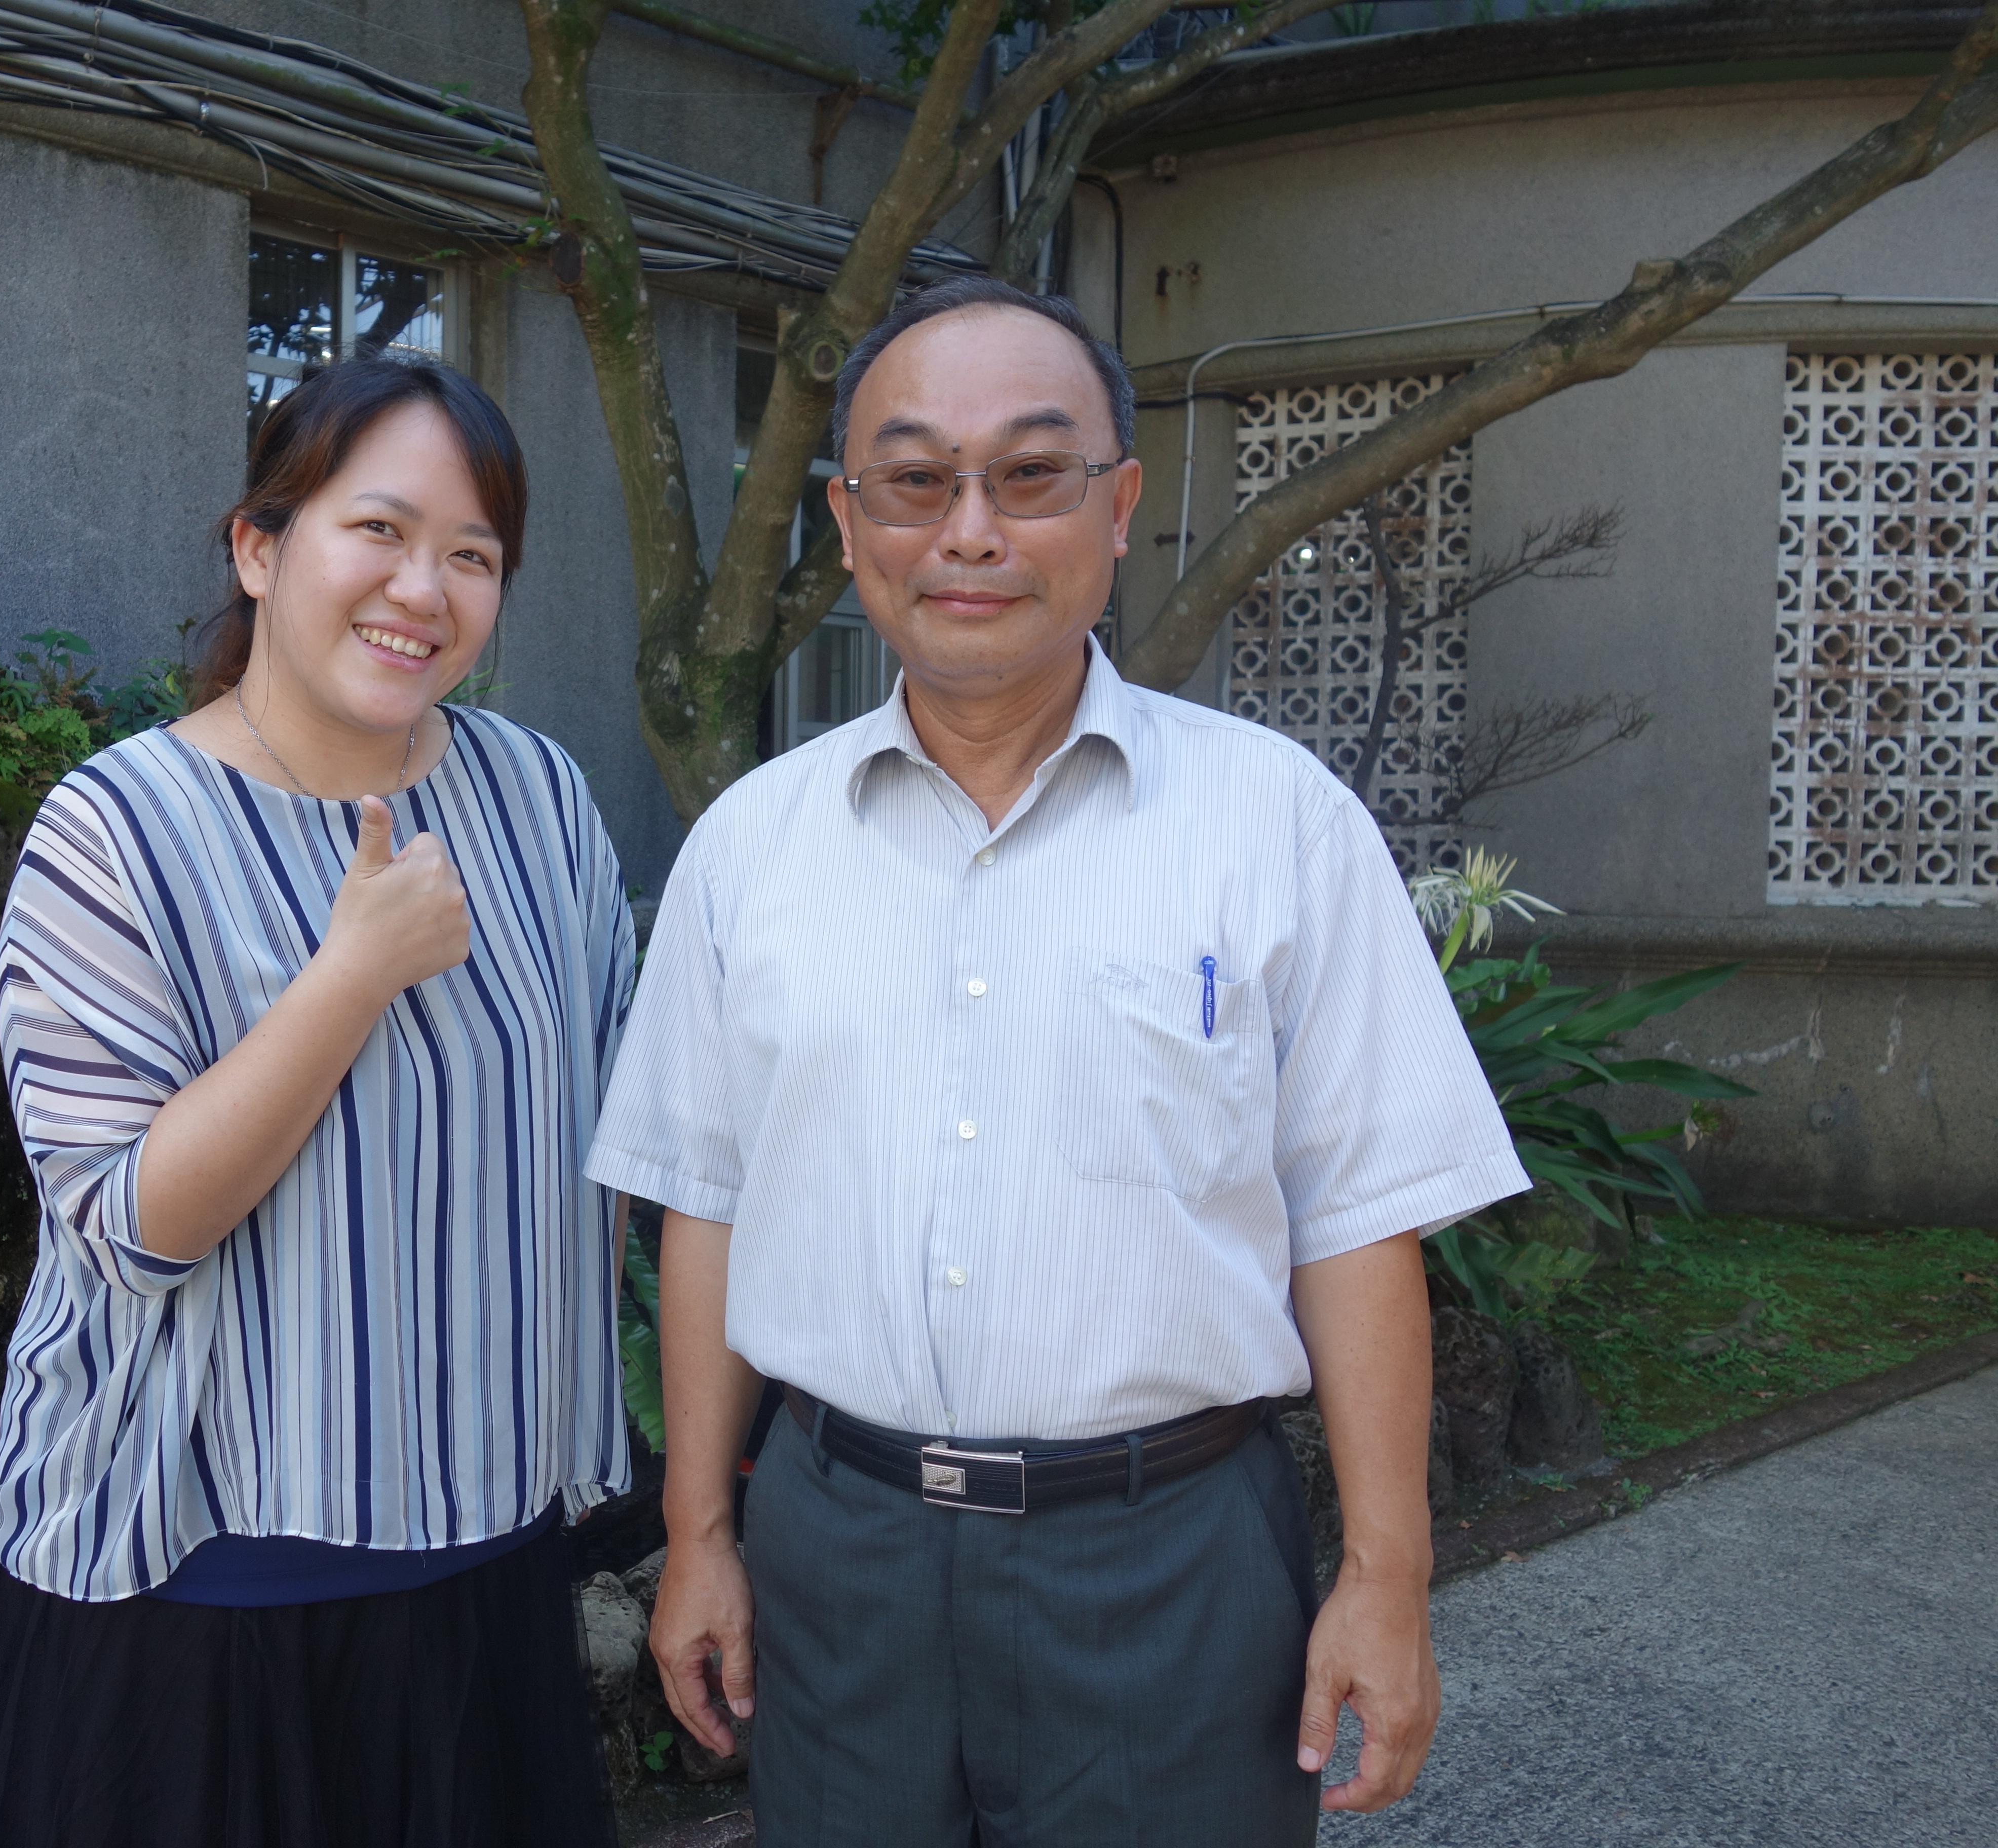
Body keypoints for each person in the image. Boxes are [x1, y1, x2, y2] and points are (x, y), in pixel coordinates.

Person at [587, 275, 1528, 1846]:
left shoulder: (1277, 825)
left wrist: (1388, 1574)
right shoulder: (751, 848)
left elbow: (1363, 1214)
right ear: (847, 519)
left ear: (1120, 506)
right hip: (843, 1554)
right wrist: (698, 1529)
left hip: (1169, 1562)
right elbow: (708, 1200)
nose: (971, 532)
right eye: (915, 480)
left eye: (1032, 476)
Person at [0, 356, 634, 1848]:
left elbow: (613, 1136)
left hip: (480, 1569)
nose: (422, 589)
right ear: (261, 549)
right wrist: (349, 979)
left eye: (472, 555)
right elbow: (130, 1230)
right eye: (377, 531)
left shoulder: (539, 800)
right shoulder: (114, 830)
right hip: (196, 1608)